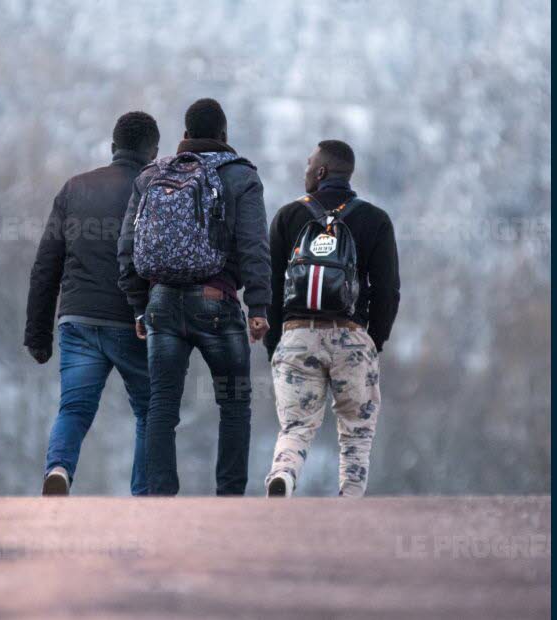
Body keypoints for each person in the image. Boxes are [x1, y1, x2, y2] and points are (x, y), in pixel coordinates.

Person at [118, 98, 271, 495]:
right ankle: (229, 499)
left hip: (162, 303)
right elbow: (254, 244)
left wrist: (139, 306)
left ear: (184, 135)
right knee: (235, 404)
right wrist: (258, 306)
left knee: (162, 406)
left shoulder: (152, 174)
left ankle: (162, 499)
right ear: (224, 136)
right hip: (216, 301)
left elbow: (127, 247)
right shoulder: (240, 175)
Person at [25, 111, 161, 496]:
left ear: (113, 146)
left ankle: (59, 469)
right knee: (150, 412)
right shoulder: (155, 191)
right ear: (153, 152)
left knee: (74, 409)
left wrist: (38, 336)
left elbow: (44, 266)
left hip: (78, 320)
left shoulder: (75, 188)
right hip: (134, 322)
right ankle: (144, 496)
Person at [263, 139, 400, 497]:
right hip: (352, 339)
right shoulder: (375, 220)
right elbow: (388, 291)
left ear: (321, 171)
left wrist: (275, 343)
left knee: (295, 427)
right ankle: (349, 503)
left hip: (296, 337)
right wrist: (374, 341)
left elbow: (269, 286)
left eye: (309, 164)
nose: (305, 169)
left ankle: (284, 475)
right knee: (357, 432)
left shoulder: (288, 217)